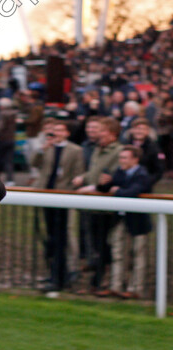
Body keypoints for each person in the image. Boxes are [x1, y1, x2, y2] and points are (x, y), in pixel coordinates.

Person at [30, 121, 85, 292]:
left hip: (62, 196)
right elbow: (34, 163)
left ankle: (61, 275)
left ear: (67, 133)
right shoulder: (48, 147)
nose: (56, 133)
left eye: (60, 130)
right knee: (50, 237)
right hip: (46, 194)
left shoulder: (76, 150)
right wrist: (42, 149)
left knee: (61, 238)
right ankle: (54, 273)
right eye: (54, 130)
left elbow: (78, 173)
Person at [95, 146, 153, 299]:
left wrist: (116, 190)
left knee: (138, 255)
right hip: (120, 219)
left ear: (135, 159)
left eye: (125, 158)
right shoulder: (120, 172)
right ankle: (115, 286)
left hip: (138, 221)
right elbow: (107, 188)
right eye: (120, 157)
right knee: (117, 252)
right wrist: (102, 184)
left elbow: (132, 192)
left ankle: (136, 289)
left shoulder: (143, 175)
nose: (121, 161)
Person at [74, 117, 124, 292]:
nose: (99, 134)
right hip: (92, 204)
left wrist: (94, 186)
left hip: (106, 206)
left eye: (103, 131)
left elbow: (113, 176)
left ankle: (101, 279)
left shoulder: (119, 151)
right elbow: (94, 171)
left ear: (113, 134)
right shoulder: (98, 149)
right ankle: (98, 277)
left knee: (103, 244)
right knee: (94, 243)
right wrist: (83, 178)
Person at [0, 97, 17, 186]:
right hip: (11, 138)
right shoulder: (14, 113)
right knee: (9, 160)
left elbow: (0, 126)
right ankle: (10, 179)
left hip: (2, 139)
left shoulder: (2, 114)